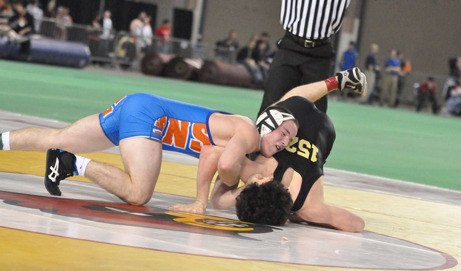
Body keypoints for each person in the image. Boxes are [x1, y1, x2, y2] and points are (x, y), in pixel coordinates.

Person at [0, 93, 300, 206]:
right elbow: (224, 166)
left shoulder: (241, 135)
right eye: (284, 132)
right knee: (138, 194)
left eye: (290, 140)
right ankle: (70, 164)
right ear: (269, 120)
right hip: (149, 117)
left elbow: (211, 154)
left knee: (59, 135)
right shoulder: (247, 132)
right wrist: (203, 201)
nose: (285, 141)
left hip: (139, 105)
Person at [169, 67, 367, 232]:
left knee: (274, 121)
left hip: (322, 136)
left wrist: (307, 216)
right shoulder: (301, 201)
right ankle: (336, 81)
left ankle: (336, 82)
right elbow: (358, 224)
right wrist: (202, 201)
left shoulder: (309, 207)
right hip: (319, 129)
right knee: (277, 114)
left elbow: (357, 224)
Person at [257, 0, 351, 115]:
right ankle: (263, 131)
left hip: (320, 52)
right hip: (290, 45)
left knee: (316, 111)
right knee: (272, 103)